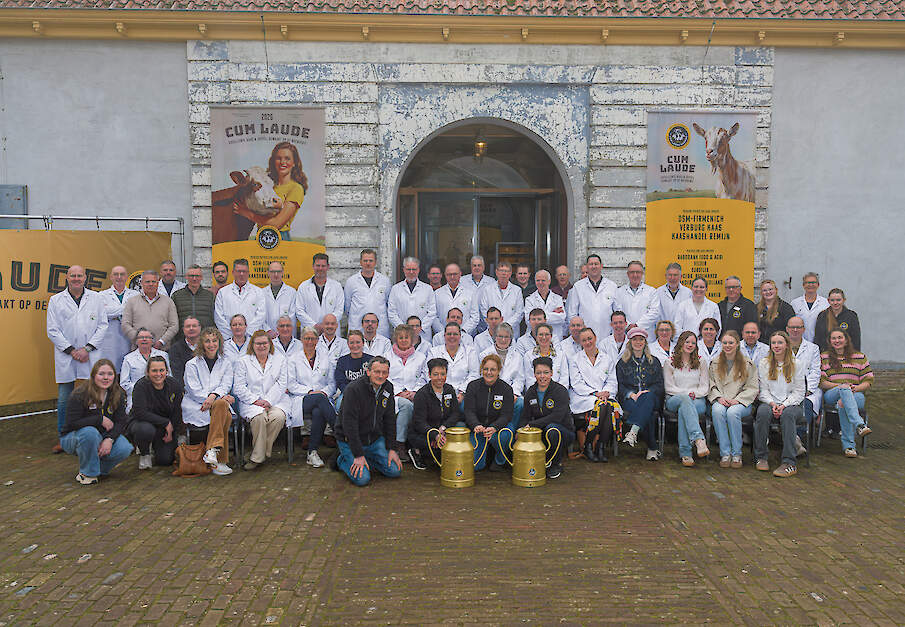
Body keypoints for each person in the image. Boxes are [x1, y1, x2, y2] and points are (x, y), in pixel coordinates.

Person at [47, 265, 109, 454]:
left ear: (85, 278)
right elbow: (52, 330)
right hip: (67, 355)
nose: (76, 278)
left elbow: (103, 325)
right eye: (72, 275)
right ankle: (64, 438)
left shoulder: (96, 298)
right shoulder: (56, 300)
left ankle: (94, 435)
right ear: (67, 278)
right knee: (65, 398)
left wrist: (87, 348)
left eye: (79, 275)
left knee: (93, 397)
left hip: (90, 355)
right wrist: (72, 350)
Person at [60, 359, 133, 485]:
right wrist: (98, 419)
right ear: (94, 375)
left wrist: (109, 439)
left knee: (125, 448)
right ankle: (87, 473)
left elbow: (121, 422)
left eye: (110, 374)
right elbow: (71, 424)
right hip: (73, 437)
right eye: (101, 374)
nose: (106, 378)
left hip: (102, 436)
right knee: (90, 433)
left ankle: (99, 470)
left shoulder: (118, 394)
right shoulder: (80, 394)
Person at [334, 356, 402, 486]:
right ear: (368, 371)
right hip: (350, 440)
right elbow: (349, 425)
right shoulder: (354, 389)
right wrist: (358, 455)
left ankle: (367, 457)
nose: (381, 376)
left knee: (395, 471)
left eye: (384, 372)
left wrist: (392, 449)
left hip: (374, 440)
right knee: (363, 479)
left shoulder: (388, 388)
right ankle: (342, 459)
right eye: (377, 372)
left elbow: (390, 420)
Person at [182, 327, 235, 475]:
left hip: (214, 402)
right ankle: (220, 460)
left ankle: (212, 451)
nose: (211, 344)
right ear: (201, 344)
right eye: (207, 341)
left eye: (214, 340)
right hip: (197, 404)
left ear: (219, 342)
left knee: (221, 407)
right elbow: (193, 389)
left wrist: (213, 396)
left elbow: (226, 384)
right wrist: (215, 397)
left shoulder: (226, 362)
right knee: (225, 413)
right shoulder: (191, 364)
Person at [234, 330, 290, 470]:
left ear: (270, 344)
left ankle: (257, 453)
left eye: (264, 343)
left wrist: (269, 401)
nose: (261, 346)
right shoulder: (243, 361)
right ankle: (259, 456)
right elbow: (239, 387)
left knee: (278, 417)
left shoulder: (280, 359)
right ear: (252, 345)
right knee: (259, 418)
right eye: (258, 343)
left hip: (275, 400)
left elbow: (281, 383)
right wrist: (256, 400)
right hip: (251, 403)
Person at [755, 331, 806, 478]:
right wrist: (772, 404)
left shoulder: (797, 364)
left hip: (792, 405)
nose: (776, 346)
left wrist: (784, 405)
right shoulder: (765, 363)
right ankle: (761, 457)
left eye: (780, 343)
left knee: (788, 415)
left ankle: (789, 462)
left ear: (786, 345)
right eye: (773, 343)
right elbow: (763, 390)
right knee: (762, 413)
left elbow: (799, 392)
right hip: (770, 402)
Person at [233, 141, 307, 238]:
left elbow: (276, 224)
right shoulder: (268, 184)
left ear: (294, 163)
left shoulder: (296, 189)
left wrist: (246, 213)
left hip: (280, 237)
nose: (282, 162)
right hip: (260, 235)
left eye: (287, 158)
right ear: (273, 161)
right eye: (278, 158)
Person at [287, 326, 337, 468]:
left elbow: (332, 384)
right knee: (320, 400)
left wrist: (323, 392)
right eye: (307, 338)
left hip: (321, 400)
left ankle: (312, 452)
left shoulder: (325, 358)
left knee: (319, 411)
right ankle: (341, 432)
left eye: (313, 338)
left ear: (317, 340)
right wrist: (310, 392)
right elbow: (291, 385)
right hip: (301, 399)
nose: (310, 341)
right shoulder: (293, 359)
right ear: (302, 340)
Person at [708, 330, 759, 468]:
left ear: (737, 344)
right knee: (717, 411)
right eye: (724, 343)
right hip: (721, 399)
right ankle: (725, 453)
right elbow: (711, 384)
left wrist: (738, 400)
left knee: (732, 413)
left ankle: (736, 454)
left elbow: (752, 387)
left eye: (731, 342)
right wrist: (718, 397)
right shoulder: (715, 363)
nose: (727, 345)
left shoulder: (748, 364)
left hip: (741, 402)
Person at [820, 329, 873, 458]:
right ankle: (859, 424)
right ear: (830, 341)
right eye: (834, 338)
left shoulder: (860, 357)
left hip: (856, 393)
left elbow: (868, 380)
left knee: (843, 403)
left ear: (846, 339)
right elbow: (822, 382)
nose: (837, 341)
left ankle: (849, 447)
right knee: (844, 391)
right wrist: (842, 387)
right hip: (832, 393)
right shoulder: (824, 357)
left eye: (840, 337)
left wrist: (855, 388)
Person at [568, 327, 618, 463]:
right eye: (584, 340)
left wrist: (606, 392)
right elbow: (576, 384)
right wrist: (596, 393)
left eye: (590, 338)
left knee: (608, 406)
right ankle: (591, 446)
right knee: (603, 406)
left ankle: (598, 446)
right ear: (580, 342)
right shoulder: (575, 359)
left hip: (605, 395)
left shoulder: (607, 358)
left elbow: (612, 381)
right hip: (583, 397)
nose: (588, 342)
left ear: (595, 338)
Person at [520, 357, 574, 479]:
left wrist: (533, 425)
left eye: (546, 372)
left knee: (552, 429)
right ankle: (544, 460)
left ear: (551, 373)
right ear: (534, 374)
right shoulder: (531, 392)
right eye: (539, 373)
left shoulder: (560, 391)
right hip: (542, 432)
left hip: (563, 432)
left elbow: (557, 416)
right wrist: (521, 430)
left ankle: (556, 464)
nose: (542, 376)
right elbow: (525, 416)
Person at [615, 327, 663, 460]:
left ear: (645, 342)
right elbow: (620, 385)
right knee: (649, 414)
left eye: (641, 339)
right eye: (635, 339)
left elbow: (659, 384)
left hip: (651, 398)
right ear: (630, 342)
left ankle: (633, 431)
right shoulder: (622, 363)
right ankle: (652, 449)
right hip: (630, 399)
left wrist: (648, 392)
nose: (638, 342)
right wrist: (631, 394)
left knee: (647, 399)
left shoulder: (654, 361)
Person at [407, 358, 463, 469]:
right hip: (423, 432)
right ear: (429, 374)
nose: (439, 378)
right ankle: (416, 451)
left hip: (442, 429)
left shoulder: (449, 390)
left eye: (443, 374)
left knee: (460, 428)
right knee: (429, 444)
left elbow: (455, 413)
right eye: (435, 374)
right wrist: (435, 435)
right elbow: (419, 422)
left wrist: (444, 428)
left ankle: (435, 452)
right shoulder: (422, 394)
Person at [129, 355, 184, 469]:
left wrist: (171, 430)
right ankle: (144, 452)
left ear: (167, 371)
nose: (158, 374)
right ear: (147, 372)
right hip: (143, 423)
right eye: (154, 371)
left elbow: (177, 411)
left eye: (161, 370)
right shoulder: (141, 386)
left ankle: (156, 446)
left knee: (165, 460)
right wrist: (166, 423)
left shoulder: (174, 385)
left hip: (164, 428)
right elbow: (140, 413)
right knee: (145, 430)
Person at [664, 331, 710, 467]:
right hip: (674, 399)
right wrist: (685, 394)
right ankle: (699, 439)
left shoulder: (701, 361)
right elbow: (669, 387)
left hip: (698, 400)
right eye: (687, 342)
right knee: (684, 402)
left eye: (693, 343)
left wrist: (694, 394)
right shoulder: (670, 362)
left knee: (685, 411)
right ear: (681, 343)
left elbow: (705, 387)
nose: (690, 345)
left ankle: (686, 453)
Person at [463, 353, 515, 471]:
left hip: (498, 428)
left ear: (499, 371)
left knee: (506, 435)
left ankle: (499, 461)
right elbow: (469, 411)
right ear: (481, 370)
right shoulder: (472, 386)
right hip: (478, 429)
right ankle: (486, 456)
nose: (489, 372)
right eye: (486, 369)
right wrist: (476, 425)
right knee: (475, 466)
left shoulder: (506, 389)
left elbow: (506, 415)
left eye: (493, 369)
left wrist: (494, 427)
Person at [386, 324, 427, 459]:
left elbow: (424, 377)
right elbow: (386, 377)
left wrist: (414, 391)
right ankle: (400, 444)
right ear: (396, 339)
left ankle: (417, 445)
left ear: (412, 339)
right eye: (401, 337)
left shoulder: (421, 357)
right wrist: (398, 392)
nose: (404, 340)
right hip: (394, 395)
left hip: (415, 394)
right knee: (406, 405)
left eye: (406, 337)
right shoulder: (386, 356)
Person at [787, 316, 822, 456]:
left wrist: (807, 390)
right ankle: (792, 439)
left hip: (808, 390)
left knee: (806, 404)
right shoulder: (780, 345)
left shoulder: (813, 348)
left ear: (803, 329)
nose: (795, 330)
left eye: (798, 327)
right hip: (786, 388)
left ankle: (798, 437)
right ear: (787, 329)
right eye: (792, 327)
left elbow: (815, 371)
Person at [478, 322, 524, 427]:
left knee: (520, 403)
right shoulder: (484, 354)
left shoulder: (517, 356)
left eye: (507, 337)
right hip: (490, 392)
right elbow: (482, 377)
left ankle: (511, 428)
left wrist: (514, 393)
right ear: (495, 337)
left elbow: (519, 379)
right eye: (500, 336)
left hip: (511, 393)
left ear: (511, 339)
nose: (503, 340)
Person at [427, 322, 479, 407]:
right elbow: (429, 373)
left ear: (460, 336)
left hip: (463, 395)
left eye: (455, 334)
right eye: (449, 334)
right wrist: (444, 392)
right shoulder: (434, 352)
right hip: (439, 393)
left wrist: (462, 392)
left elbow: (474, 374)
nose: (452, 336)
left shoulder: (470, 351)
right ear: (444, 336)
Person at [122, 269, 178, 349]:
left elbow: (174, 325)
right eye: (147, 282)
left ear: (158, 283)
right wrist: (139, 340)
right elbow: (125, 324)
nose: (151, 284)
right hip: (138, 350)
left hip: (162, 349)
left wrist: (161, 341)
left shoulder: (168, 301)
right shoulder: (132, 301)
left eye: (153, 282)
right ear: (141, 283)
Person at [566, 254, 617, 340]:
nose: (593, 266)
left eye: (596, 264)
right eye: (591, 264)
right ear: (587, 267)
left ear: (601, 266)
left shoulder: (612, 286)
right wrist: (577, 332)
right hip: (584, 337)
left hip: (607, 335)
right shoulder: (578, 287)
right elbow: (572, 314)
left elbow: (617, 312)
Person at [98, 265, 137, 373]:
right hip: (110, 340)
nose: (119, 277)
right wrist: (126, 310)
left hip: (129, 339)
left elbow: (137, 313)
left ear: (127, 277)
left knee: (127, 371)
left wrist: (112, 312)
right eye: (116, 274)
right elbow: (101, 313)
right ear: (111, 277)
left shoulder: (135, 295)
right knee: (111, 371)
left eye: (122, 274)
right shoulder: (101, 295)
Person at [120, 328, 170, 411]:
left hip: (160, 394)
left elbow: (168, 376)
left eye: (147, 337)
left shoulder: (163, 355)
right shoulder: (128, 359)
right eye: (141, 337)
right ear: (136, 341)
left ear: (152, 341)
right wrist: (143, 389)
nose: (144, 339)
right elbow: (124, 383)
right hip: (137, 396)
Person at [345, 248, 392, 338]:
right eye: (365, 260)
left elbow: (388, 304)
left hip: (380, 328)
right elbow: (347, 307)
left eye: (371, 260)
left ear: (375, 262)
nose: (368, 263)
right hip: (357, 327)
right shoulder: (351, 281)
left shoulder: (384, 281)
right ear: (360, 262)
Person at [388, 257, 437, 343]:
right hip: (402, 335)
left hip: (423, 334)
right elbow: (392, 313)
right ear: (403, 270)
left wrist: (420, 328)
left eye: (414, 269)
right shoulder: (395, 289)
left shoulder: (427, 289)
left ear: (418, 270)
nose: (411, 272)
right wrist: (404, 328)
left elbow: (432, 312)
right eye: (408, 269)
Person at [214, 258, 265, 337]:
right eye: (238, 271)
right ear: (233, 272)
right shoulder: (223, 292)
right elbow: (219, 317)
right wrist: (231, 336)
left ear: (248, 273)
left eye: (244, 271)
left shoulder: (258, 292)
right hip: (228, 339)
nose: (241, 274)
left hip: (251, 338)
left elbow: (261, 316)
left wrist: (247, 334)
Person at [638, 262, 691, 333]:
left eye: (675, 275)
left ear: (681, 276)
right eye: (670, 275)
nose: (672, 278)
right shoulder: (658, 292)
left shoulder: (688, 293)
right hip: (663, 333)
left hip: (682, 333)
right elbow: (655, 314)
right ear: (666, 276)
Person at [297, 253, 344, 332]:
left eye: (323, 266)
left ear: (328, 267)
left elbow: (339, 310)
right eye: (318, 265)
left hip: (331, 331)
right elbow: (299, 310)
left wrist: (327, 325)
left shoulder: (336, 286)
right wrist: (314, 325)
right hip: (310, 331)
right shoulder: (303, 287)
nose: (320, 268)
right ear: (313, 266)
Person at [479, 261, 524, 341]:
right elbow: (484, 310)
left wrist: (505, 326)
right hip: (492, 330)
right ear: (496, 272)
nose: (504, 274)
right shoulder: (488, 289)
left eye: (506, 271)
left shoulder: (517, 290)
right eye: (501, 271)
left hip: (511, 331)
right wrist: (494, 323)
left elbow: (519, 313)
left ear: (510, 273)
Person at [171, 265, 215, 344]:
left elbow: (214, 318)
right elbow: (173, 320)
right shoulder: (177, 296)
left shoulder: (210, 296)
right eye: (191, 276)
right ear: (186, 277)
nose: (194, 279)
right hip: (182, 340)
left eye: (197, 276)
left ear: (201, 277)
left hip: (206, 340)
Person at [434, 263, 478, 336]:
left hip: (465, 335)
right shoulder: (437, 293)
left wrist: (463, 330)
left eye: (455, 274)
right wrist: (443, 332)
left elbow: (475, 316)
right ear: (445, 275)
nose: (452, 277)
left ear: (460, 274)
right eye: (449, 274)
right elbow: (434, 316)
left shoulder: (470, 293)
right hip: (443, 335)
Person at [614, 261, 657, 335]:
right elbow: (617, 311)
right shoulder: (619, 292)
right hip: (626, 332)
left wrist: (637, 325)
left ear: (642, 273)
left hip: (647, 334)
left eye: (638, 272)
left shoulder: (651, 291)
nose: (635, 275)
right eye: (632, 272)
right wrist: (628, 325)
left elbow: (654, 312)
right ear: (628, 274)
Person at [522, 323, 569, 389]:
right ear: (536, 337)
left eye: (547, 334)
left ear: (551, 336)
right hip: (537, 393)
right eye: (541, 334)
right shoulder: (528, 356)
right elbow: (530, 380)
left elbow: (564, 379)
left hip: (558, 394)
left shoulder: (561, 355)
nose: (544, 337)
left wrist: (557, 393)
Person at [814, 288, 861, 353]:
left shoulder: (851, 316)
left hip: (847, 355)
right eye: (832, 300)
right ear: (828, 300)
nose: (835, 303)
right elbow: (818, 338)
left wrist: (855, 356)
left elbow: (856, 339)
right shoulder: (822, 316)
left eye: (838, 300)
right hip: (826, 355)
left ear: (844, 300)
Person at [334, 330, 372, 409]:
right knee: (339, 405)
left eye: (358, 342)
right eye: (351, 342)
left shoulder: (371, 360)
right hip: (347, 393)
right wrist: (352, 393)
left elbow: (374, 380)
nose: (355, 345)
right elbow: (340, 382)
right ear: (348, 344)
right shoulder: (342, 361)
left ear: (363, 343)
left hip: (367, 393)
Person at [524, 270, 566, 340]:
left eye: (543, 280)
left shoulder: (557, 298)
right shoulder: (529, 299)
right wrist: (552, 314)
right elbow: (528, 320)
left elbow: (562, 318)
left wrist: (538, 317)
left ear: (549, 281)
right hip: (534, 338)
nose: (540, 283)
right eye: (538, 280)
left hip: (554, 337)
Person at [791, 273, 830, 344]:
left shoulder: (826, 303)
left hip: (821, 342)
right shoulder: (795, 303)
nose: (810, 285)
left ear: (818, 285)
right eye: (807, 283)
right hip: (799, 342)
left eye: (813, 282)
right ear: (803, 285)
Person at [263, 261, 297, 338]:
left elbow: (292, 316)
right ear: (268, 273)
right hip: (268, 336)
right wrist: (268, 330)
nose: (276, 274)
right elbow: (259, 316)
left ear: (282, 272)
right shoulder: (262, 293)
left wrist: (282, 331)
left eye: (278, 272)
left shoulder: (292, 292)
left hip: (287, 335)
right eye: (272, 272)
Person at [463, 254, 495, 334]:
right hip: (468, 322)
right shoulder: (462, 281)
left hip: (486, 322)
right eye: (474, 265)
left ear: (483, 267)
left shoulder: (492, 282)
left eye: (479, 265)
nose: (477, 268)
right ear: (471, 267)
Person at [169, 316, 201, 386]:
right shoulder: (175, 349)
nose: (191, 328)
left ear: (200, 328)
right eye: (188, 326)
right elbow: (177, 374)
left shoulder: (207, 346)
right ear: (183, 329)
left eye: (194, 326)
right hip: (186, 390)